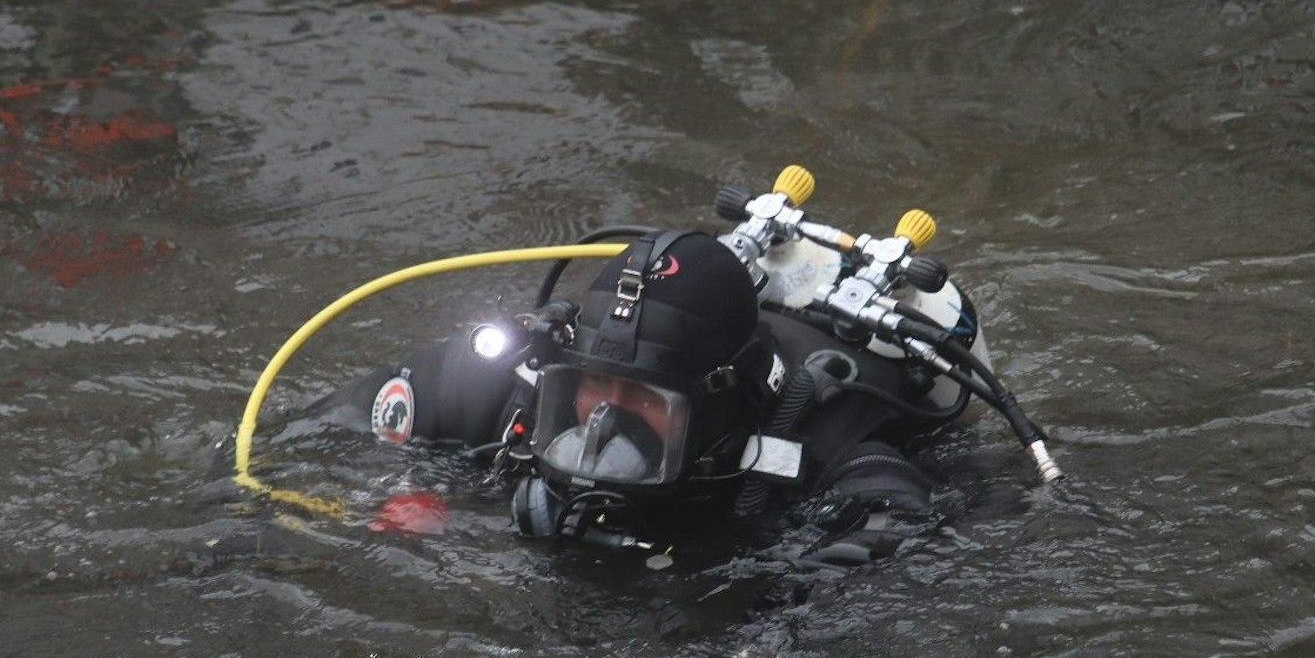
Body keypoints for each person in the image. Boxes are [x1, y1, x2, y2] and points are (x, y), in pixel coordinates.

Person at [337, 226, 970, 565]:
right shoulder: (515, 385)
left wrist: (781, 610)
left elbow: (902, 527)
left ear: (717, 401)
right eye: (591, 386)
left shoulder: (823, 442)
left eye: (644, 397)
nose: (605, 415)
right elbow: (322, 430)